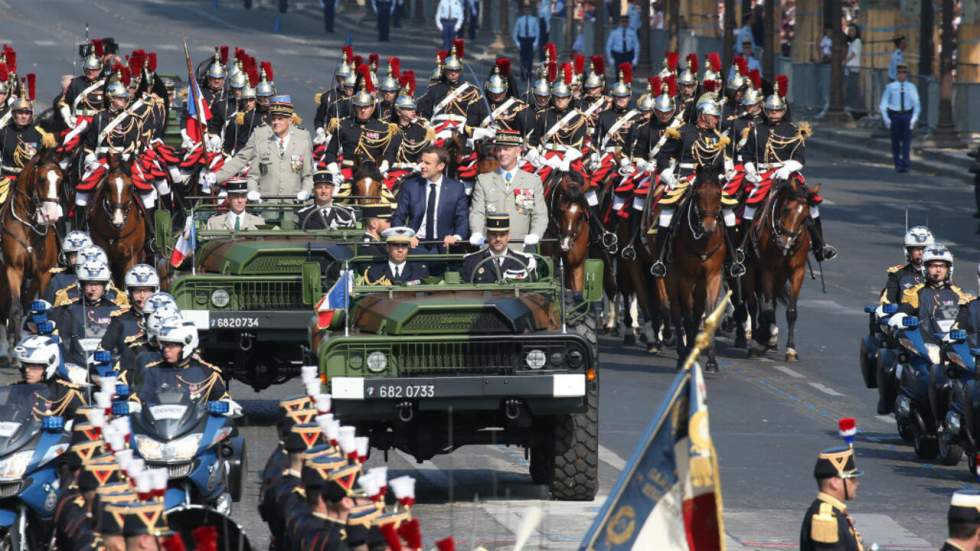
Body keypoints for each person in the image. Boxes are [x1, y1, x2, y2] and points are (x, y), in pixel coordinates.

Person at [217, 95, 314, 199]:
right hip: (268, 196)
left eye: (281, 118)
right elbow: (242, 157)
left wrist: (306, 191)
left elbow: (307, 171)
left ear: (290, 118)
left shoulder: (303, 136)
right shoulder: (261, 133)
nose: (276, 122)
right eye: (274, 117)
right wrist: (218, 176)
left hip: (293, 197)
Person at [469, 130, 546, 249]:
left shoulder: (531, 181)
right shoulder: (484, 180)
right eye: (499, 149)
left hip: (520, 248)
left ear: (518, 151)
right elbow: (477, 212)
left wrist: (536, 234)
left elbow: (539, 214)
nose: (502, 153)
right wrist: (476, 232)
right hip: (490, 248)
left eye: (506, 149)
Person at [391, 146, 469, 252]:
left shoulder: (456, 188)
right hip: (415, 244)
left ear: (440, 166)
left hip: (445, 245)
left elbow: (462, 218)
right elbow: (398, 216)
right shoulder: (411, 186)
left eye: (427, 163)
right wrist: (405, 236)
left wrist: (456, 237)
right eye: (421, 162)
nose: (421, 166)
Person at [892, 245, 974, 341]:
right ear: (925, 268)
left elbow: (969, 317)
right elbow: (905, 308)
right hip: (924, 343)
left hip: (953, 344)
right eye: (934, 266)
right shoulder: (915, 292)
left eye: (942, 266)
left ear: (949, 269)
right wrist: (900, 316)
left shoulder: (958, 293)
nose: (938, 270)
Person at [48, 259, 122, 366]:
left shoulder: (117, 311)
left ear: (106, 286)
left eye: (98, 284)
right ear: (80, 285)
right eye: (89, 284)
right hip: (76, 366)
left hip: (110, 366)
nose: (93, 289)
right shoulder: (69, 310)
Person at [140, 316, 228, 403]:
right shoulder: (153, 371)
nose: (166, 349)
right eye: (164, 344)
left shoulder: (208, 373)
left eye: (172, 345)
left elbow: (223, 401)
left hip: (195, 417)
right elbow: (141, 399)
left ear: (187, 345)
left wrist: (228, 405)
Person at [799, 446, 865, 550]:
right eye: (851, 478)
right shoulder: (826, 520)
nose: (857, 483)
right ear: (835, 482)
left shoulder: (836, 512)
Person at [100, 264, 159, 372]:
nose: (142, 296)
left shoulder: (167, 317)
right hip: (130, 379)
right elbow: (103, 351)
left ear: (155, 291)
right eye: (137, 291)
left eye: (146, 291)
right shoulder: (120, 320)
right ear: (129, 292)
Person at [462, 214, 536, 283]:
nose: (498, 239)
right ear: (487, 235)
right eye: (494, 234)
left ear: (509, 236)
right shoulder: (472, 261)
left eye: (502, 235)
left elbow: (531, 292)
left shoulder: (524, 261)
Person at [879, 63, 920, 173]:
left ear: (906, 75)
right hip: (895, 115)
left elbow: (916, 104)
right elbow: (883, 104)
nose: (902, 76)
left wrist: (914, 118)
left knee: (906, 141)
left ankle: (906, 163)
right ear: (896, 74)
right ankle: (897, 163)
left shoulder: (911, 87)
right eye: (900, 73)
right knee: (895, 141)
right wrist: (886, 119)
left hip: (907, 114)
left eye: (904, 73)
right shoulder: (891, 87)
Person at [880, 226, 934, 304]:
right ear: (908, 251)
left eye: (925, 249)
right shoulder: (898, 274)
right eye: (917, 249)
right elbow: (889, 300)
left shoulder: (940, 274)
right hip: (904, 314)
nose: (921, 253)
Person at [363, 227, 429, 285]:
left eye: (404, 245)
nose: (400, 250)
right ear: (387, 247)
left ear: (408, 248)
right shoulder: (374, 272)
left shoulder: (419, 271)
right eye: (395, 245)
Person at [42, 231, 93, 304]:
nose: (78, 259)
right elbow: (48, 308)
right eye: (73, 255)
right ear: (66, 258)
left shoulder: (101, 277)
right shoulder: (58, 280)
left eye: (82, 254)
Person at [513, 3, 540, 82]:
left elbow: (537, 32)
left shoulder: (534, 20)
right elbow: (515, 32)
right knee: (523, 59)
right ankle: (523, 75)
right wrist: (517, 42)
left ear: (530, 11)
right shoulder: (520, 20)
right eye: (525, 9)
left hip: (531, 40)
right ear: (523, 11)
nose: (527, 11)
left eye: (528, 9)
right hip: (523, 40)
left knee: (530, 59)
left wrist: (536, 42)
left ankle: (529, 75)